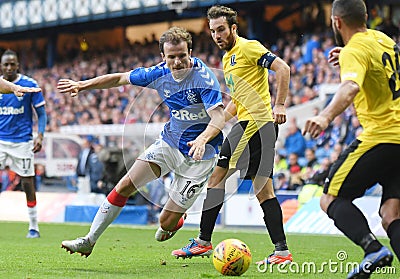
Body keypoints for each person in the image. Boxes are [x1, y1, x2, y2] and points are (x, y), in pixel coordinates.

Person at [58, 27, 225, 257]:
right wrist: (82, 84)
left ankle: (175, 218)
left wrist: (202, 139)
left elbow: (218, 117)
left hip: (200, 155)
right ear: (163, 57)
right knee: (126, 184)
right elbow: (119, 78)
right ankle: (89, 240)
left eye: (182, 56)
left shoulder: (203, 78)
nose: (177, 62)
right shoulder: (157, 73)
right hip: (170, 142)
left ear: (190, 52)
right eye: (172, 57)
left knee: (165, 224)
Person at [172, 5, 293, 265]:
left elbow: (283, 68)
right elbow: (236, 103)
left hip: (255, 124)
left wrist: (280, 104)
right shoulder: (228, 59)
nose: (217, 35)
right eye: (213, 31)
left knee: (217, 178)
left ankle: (203, 242)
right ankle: (281, 251)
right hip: (251, 124)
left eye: (221, 30)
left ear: (233, 29)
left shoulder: (248, 48)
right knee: (264, 191)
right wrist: (208, 131)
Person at [302, 0, 399, 277]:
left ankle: (372, 249)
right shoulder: (383, 40)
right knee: (392, 213)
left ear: (336, 22)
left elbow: (350, 87)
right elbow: (381, 69)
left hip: (382, 136)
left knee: (330, 199)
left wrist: (325, 116)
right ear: (366, 17)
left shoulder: (354, 50)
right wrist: (348, 54)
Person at [0, 49, 47, 238]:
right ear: (1, 66)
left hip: (22, 141)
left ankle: (34, 226)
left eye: (13, 64)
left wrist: (40, 135)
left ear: (18, 65)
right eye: (6, 64)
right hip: (1, 140)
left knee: (28, 182)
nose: (10, 67)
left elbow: (41, 114)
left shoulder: (30, 85)